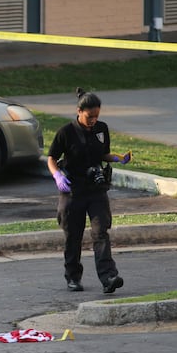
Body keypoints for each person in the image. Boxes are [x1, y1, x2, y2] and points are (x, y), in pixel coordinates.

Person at [47, 88, 133, 294]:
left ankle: (108, 277)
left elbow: (103, 154)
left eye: (96, 116)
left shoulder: (101, 129)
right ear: (79, 111)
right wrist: (57, 175)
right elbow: (51, 158)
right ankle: (73, 277)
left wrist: (118, 158)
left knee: (100, 232)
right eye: (89, 116)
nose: (93, 120)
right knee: (73, 235)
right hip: (73, 191)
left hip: (96, 189)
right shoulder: (66, 132)